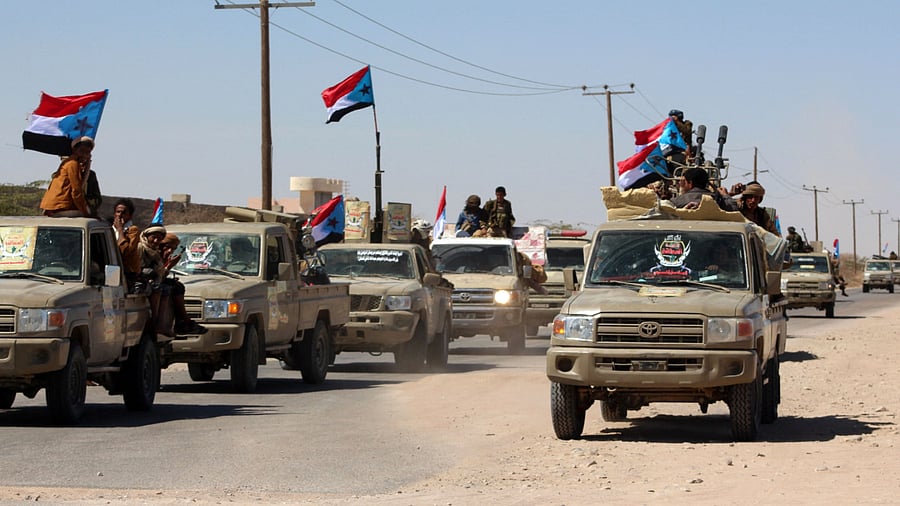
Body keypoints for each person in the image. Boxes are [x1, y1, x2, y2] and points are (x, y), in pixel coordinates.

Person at [158, 234, 208, 335]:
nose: (170, 251)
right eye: (168, 248)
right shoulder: (152, 253)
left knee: (178, 286)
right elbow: (157, 276)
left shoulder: (162, 256)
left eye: (173, 249)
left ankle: (182, 321)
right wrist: (169, 267)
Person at [39, 136, 94, 217]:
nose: (84, 154)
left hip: (56, 206)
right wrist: (86, 213)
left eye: (87, 152)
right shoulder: (73, 164)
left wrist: (88, 163)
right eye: (81, 151)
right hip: (58, 207)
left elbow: (82, 184)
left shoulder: (74, 164)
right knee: (90, 213)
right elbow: (76, 192)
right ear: (74, 150)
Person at [670, 167, 738, 211]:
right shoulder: (717, 200)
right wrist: (725, 195)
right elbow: (733, 209)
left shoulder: (677, 201)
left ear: (690, 183)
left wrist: (682, 190)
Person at [112, 198, 142, 288]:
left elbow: (125, 251)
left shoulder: (133, 230)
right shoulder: (109, 228)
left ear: (130, 216)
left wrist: (120, 230)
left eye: (123, 213)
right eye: (118, 212)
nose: (120, 215)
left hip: (127, 272)